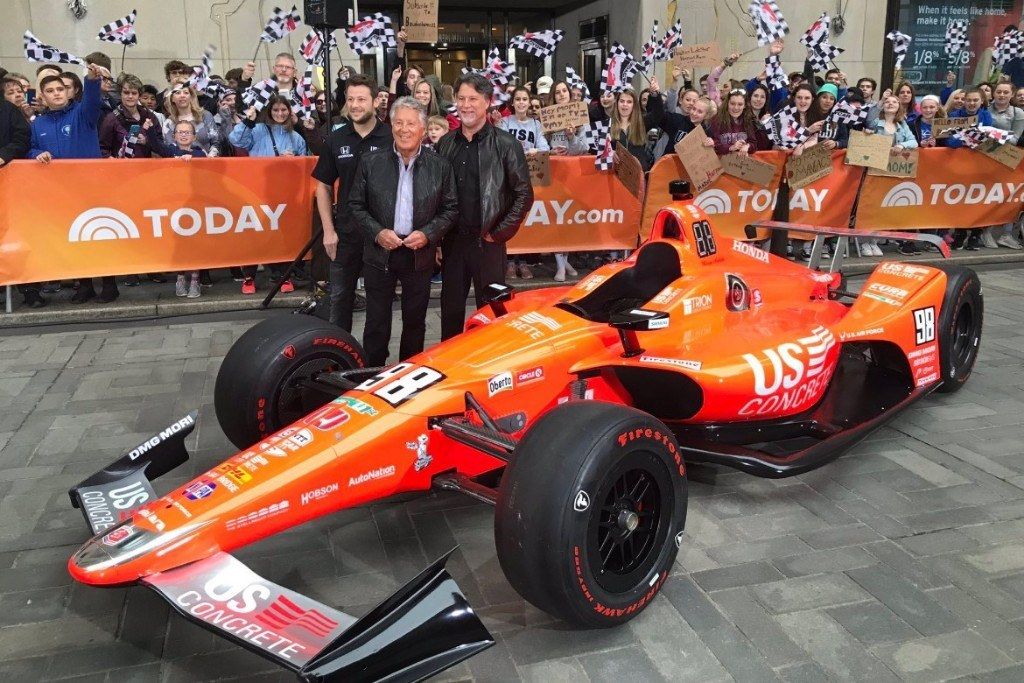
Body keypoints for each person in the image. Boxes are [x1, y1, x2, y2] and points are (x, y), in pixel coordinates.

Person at [348, 97, 458, 366]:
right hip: (380, 253)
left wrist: (429, 234)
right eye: (398, 123)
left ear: (422, 129)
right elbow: (355, 205)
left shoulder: (440, 166)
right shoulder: (371, 162)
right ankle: (371, 374)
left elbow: (451, 209)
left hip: (418, 253)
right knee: (376, 322)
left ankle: (409, 374)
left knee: (415, 321)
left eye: (411, 123)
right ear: (391, 126)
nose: (404, 129)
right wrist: (377, 232)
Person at [435, 72, 533, 340]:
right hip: (452, 244)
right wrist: (436, 238)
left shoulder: (506, 144)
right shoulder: (445, 144)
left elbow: (524, 195)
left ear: (488, 102)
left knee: (492, 318)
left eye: (473, 99)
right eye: (461, 98)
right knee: (450, 315)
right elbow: (435, 195)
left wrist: (497, 234)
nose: (466, 105)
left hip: (488, 244)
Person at [31, 64, 122, 304]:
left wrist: (92, 80)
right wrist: (35, 155)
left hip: (91, 187)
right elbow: (30, 147)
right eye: (50, 90)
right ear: (43, 96)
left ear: (69, 92)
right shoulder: (37, 124)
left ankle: (109, 284)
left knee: (98, 234)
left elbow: (92, 101)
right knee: (74, 236)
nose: (57, 93)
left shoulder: (82, 113)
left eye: (61, 89)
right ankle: (84, 285)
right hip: (60, 191)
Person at [313, 74, 394, 330]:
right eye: (351, 99)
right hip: (345, 234)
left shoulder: (391, 138)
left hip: (380, 236)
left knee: (380, 303)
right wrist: (328, 231)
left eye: (361, 99)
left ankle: (374, 361)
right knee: (339, 301)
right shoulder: (336, 139)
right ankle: (338, 358)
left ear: (374, 102)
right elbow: (323, 187)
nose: (355, 105)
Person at [229, 95, 308, 294]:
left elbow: (306, 163)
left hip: (284, 193)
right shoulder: (258, 129)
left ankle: (282, 276)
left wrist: (295, 160)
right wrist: (249, 120)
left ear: (290, 112)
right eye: (275, 110)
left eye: (284, 110)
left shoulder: (295, 136)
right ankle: (249, 277)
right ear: (269, 111)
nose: (280, 114)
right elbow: (236, 139)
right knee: (254, 233)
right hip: (257, 190)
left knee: (281, 235)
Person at [500, 86, 552, 280]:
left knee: (525, 221)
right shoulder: (504, 123)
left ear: (529, 102)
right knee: (510, 218)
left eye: (524, 99)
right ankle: (510, 262)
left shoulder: (537, 125)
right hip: (508, 179)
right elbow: (501, 147)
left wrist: (534, 151)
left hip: (529, 178)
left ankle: (523, 262)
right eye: (518, 99)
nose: (521, 102)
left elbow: (545, 148)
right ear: (512, 103)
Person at [868, 93, 919, 256]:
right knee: (871, 205)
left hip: (892, 172)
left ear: (899, 106)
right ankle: (866, 241)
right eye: (887, 102)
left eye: (895, 102)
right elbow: (868, 123)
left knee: (885, 206)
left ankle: (876, 240)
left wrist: (902, 145)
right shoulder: (875, 122)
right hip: (875, 170)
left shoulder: (902, 124)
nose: (891, 104)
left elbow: (913, 142)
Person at [946, 87, 993, 251]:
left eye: (975, 100)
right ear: (964, 101)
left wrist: (965, 137)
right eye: (969, 100)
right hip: (958, 166)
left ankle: (975, 235)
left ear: (981, 102)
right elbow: (951, 142)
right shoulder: (954, 116)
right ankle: (959, 234)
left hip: (979, 166)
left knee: (978, 201)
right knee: (960, 200)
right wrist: (971, 138)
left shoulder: (986, 115)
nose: (972, 103)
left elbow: (986, 140)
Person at [1, 88, 34, 307]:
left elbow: (22, 138)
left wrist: (3, 155)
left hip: (8, 183)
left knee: (15, 236)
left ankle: (29, 288)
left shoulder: (8, 110)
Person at [99, 74, 162, 159]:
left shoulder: (149, 116)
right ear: (120, 94)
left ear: (139, 95)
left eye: (134, 93)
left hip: (147, 168)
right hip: (122, 169)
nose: (130, 96)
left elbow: (161, 144)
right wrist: (114, 161)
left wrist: (146, 141)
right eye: (126, 92)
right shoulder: (111, 119)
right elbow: (102, 149)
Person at [162, 80, 221, 156]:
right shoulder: (168, 123)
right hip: (180, 164)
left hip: (207, 162)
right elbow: (170, 148)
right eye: (178, 93)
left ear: (191, 96)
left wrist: (209, 159)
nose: (182, 95)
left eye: (186, 92)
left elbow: (216, 142)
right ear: (172, 99)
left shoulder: (205, 115)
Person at [709, 88, 762, 156]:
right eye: (732, 103)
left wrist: (747, 146)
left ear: (745, 105)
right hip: (721, 162)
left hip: (740, 164)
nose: (736, 107)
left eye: (740, 104)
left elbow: (753, 143)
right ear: (727, 103)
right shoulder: (716, 120)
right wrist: (731, 147)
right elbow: (714, 143)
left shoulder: (748, 120)